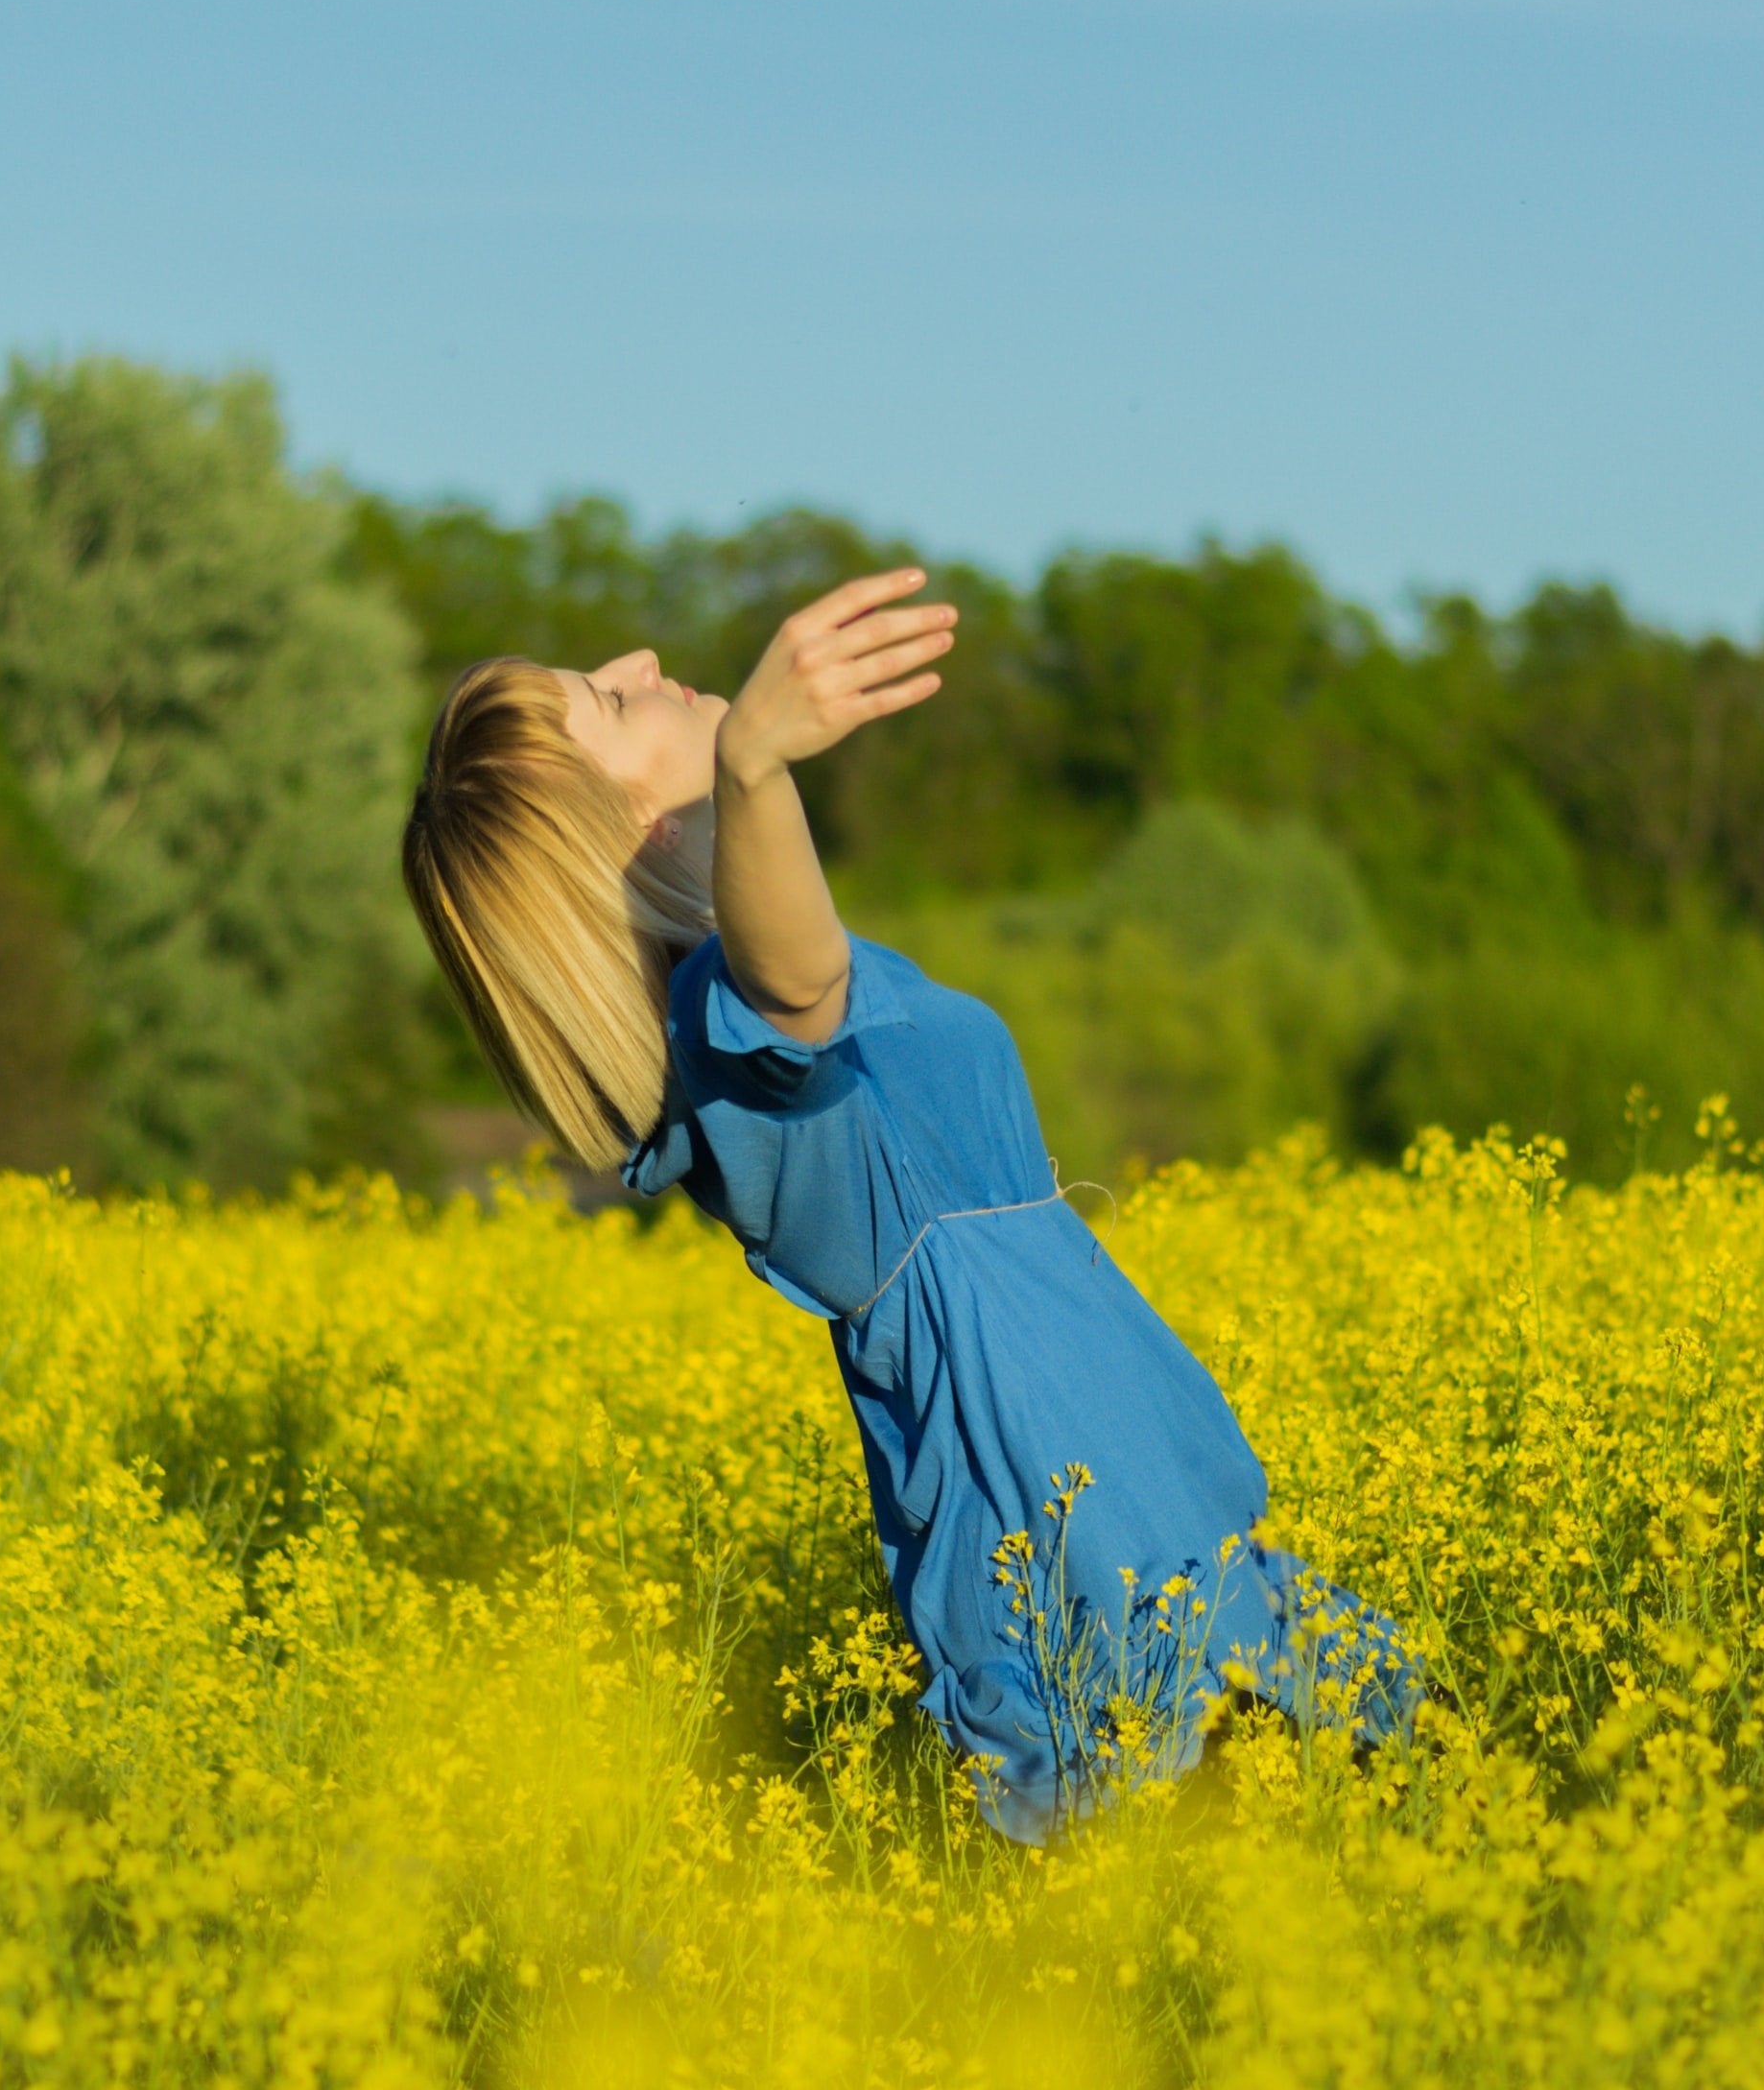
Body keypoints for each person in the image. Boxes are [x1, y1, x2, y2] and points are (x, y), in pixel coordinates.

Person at [401, 567, 1420, 1841]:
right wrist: (757, 768)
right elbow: (796, 984)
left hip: (1132, 1488)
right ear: (606, 827)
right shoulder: (731, 1052)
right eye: (611, 700)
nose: (648, 659)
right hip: (1061, 1525)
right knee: (1253, 1887)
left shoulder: (740, 1018)